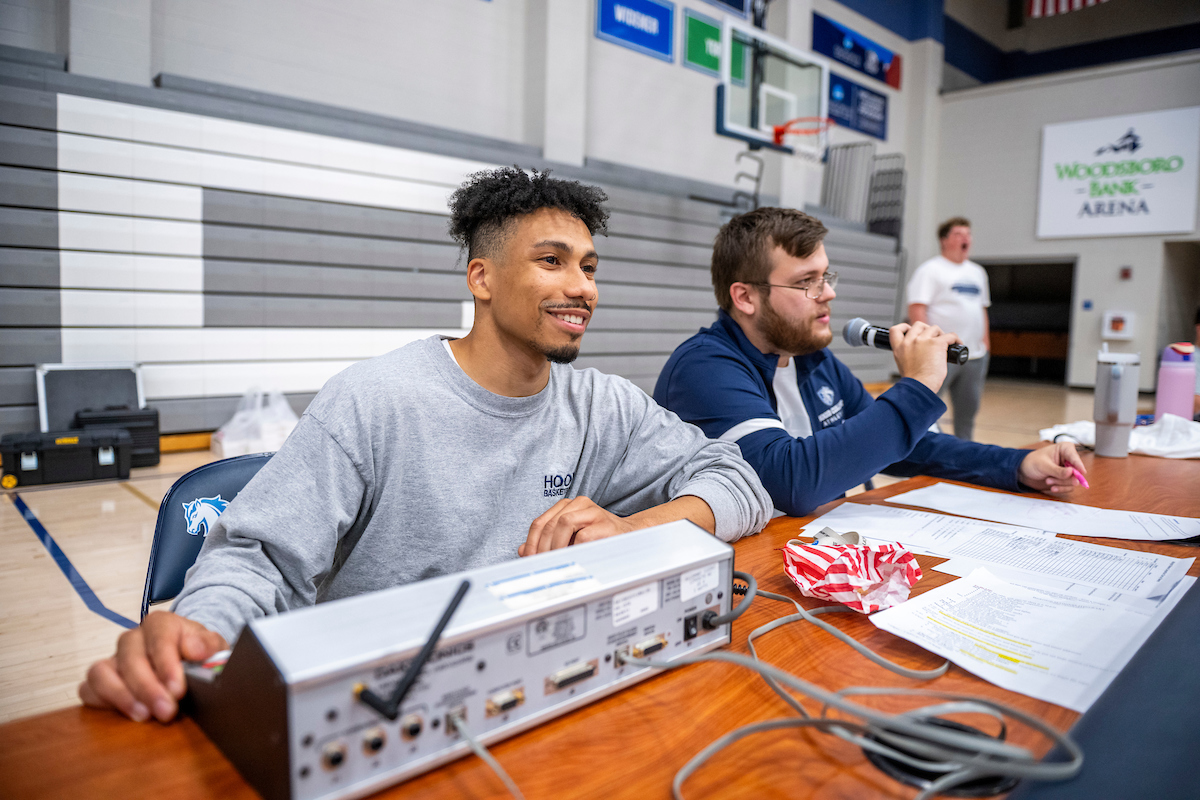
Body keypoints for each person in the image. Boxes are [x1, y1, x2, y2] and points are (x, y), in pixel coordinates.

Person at [81, 167, 772, 723]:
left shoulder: (603, 405)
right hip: (375, 709)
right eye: (552, 262)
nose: (581, 288)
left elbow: (739, 482)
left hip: (532, 693)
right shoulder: (375, 399)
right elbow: (257, 560)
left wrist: (631, 528)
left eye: (589, 267)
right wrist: (194, 634)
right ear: (482, 279)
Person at [654, 206, 1085, 518]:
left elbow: (910, 448)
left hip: (818, 556)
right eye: (807, 282)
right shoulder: (705, 369)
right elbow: (791, 484)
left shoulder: (811, 357)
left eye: (826, 276)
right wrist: (916, 385)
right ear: (745, 296)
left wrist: (1015, 465)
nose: (828, 293)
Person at [906, 217, 991, 441]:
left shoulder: (978, 272)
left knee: (968, 411)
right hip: (942, 355)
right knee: (929, 407)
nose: (965, 238)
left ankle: (965, 451)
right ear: (944, 240)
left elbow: (981, 310)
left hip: (975, 355)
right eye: (958, 234)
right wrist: (928, 346)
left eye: (968, 234)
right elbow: (917, 309)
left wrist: (986, 344)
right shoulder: (930, 270)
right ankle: (933, 450)